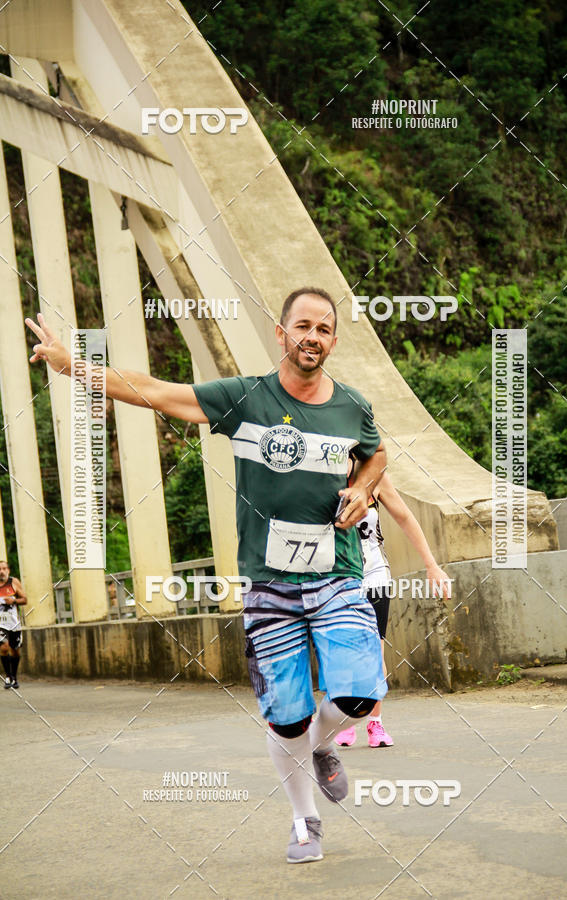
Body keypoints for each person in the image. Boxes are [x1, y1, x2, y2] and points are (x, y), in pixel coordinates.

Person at [26, 287, 388, 864]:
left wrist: (363, 489)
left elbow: (374, 455)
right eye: (302, 326)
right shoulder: (244, 398)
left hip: (336, 574)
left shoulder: (351, 405)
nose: (312, 337)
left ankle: (319, 746)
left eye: (323, 329)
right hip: (268, 585)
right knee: (286, 714)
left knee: (361, 693)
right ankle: (305, 821)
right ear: (281, 332)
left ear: (334, 340)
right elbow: (155, 392)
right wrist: (75, 366)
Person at [335, 466, 450, 748]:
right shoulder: (321, 476)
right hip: (338, 578)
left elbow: (405, 517)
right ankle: (345, 718)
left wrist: (431, 565)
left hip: (375, 576)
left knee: (375, 649)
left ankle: (375, 723)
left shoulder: (374, 476)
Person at [0, 560, 27, 689]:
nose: (2, 571)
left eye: (4, 568)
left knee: (15, 650)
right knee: (4, 647)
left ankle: (14, 676)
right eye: (0, 569)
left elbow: (25, 599)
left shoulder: (13, 582)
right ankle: (8, 676)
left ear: (8, 570)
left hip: (13, 623)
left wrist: (13, 600)